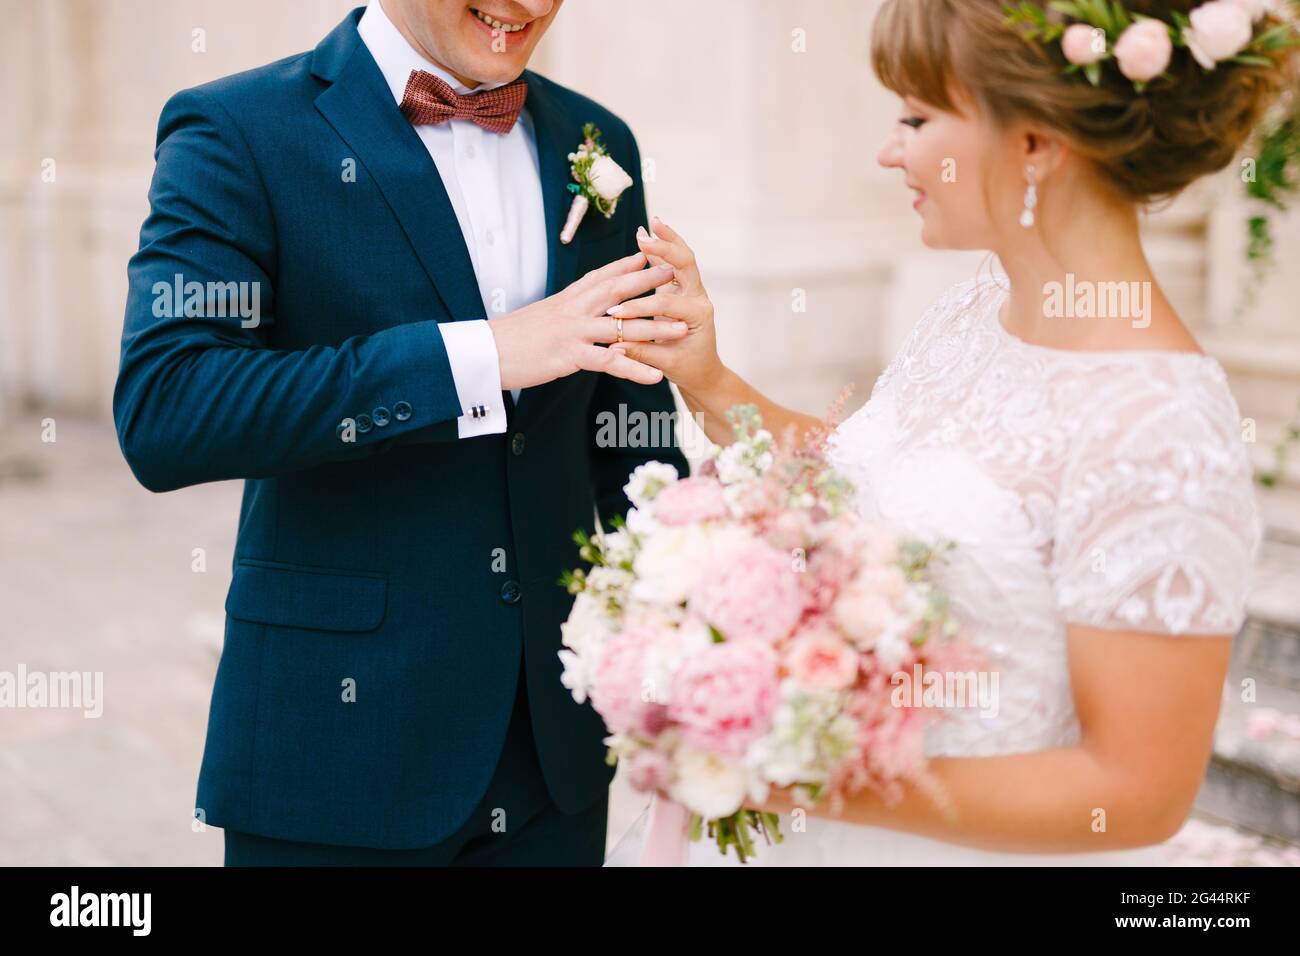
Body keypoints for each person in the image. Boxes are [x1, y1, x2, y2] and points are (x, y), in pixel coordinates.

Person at [608, 0, 1290, 864]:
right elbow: (860, 494)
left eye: (917, 118)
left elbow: (1136, 791)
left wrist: (792, 767)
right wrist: (708, 377)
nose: (890, 150)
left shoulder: (1160, 428)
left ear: (1036, 143)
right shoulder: (976, 307)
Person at [113, 0, 688, 866]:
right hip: (339, 755)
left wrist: (697, 601)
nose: (528, 5)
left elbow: (627, 420)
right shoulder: (237, 129)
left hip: (559, 753)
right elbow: (169, 406)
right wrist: (481, 358)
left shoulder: (599, 142)